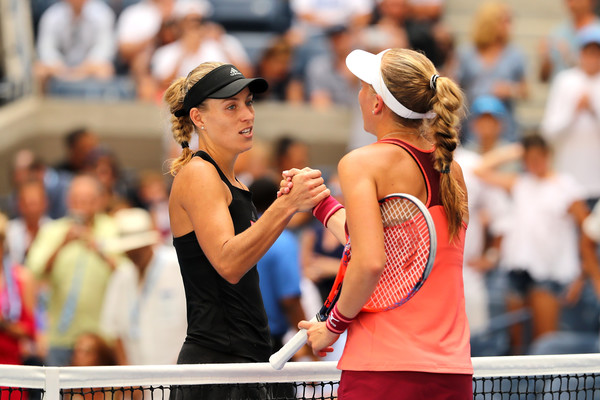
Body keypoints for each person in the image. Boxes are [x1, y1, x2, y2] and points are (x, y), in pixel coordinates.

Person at [284, 47, 473, 398]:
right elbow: (393, 246)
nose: (358, 94)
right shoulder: (453, 170)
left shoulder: (361, 164)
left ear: (376, 104)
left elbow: (370, 262)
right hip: (452, 373)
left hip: (382, 372)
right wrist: (322, 203)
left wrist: (332, 327)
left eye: (362, 86)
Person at [163, 61, 329, 399]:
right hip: (217, 370)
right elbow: (229, 263)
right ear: (199, 117)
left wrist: (283, 205)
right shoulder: (198, 174)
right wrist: (286, 206)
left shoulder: (234, 183)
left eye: (249, 102)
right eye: (231, 106)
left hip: (247, 366)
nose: (247, 115)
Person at [474, 135, 597, 354]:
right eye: (529, 159)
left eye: (538, 157)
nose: (534, 163)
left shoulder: (566, 186)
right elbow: (480, 170)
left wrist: (581, 277)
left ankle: (542, 389)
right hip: (516, 269)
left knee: (544, 345)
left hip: (549, 274)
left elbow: (587, 233)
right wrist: (515, 150)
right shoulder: (520, 183)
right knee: (516, 345)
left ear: (548, 156)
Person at [25, 174, 119, 366]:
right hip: (60, 336)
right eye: (76, 200)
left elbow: (125, 272)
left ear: (99, 201)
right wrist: (61, 245)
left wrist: (98, 248)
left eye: (87, 200)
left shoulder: (112, 229)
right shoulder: (52, 231)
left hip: (99, 337)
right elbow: (34, 272)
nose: (81, 206)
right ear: (68, 201)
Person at [101, 207, 186, 365]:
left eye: (137, 249)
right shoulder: (121, 276)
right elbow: (114, 331)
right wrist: (127, 374)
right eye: (129, 250)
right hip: (137, 378)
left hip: (178, 372)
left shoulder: (178, 267)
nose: (133, 254)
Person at [540, 25, 600, 208]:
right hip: (567, 180)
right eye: (587, 51)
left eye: (596, 52)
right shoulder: (564, 81)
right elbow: (548, 131)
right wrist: (573, 113)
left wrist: (593, 109)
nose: (592, 58)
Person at [456, 1, 528, 143]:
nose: (509, 26)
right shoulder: (467, 53)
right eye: (505, 21)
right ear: (489, 22)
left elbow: (526, 91)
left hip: (505, 129)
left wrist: (510, 89)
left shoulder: (515, 54)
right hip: (473, 127)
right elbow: (456, 86)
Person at [35, 0, 117, 93]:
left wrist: (83, 69)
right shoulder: (51, 15)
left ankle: (98, 106)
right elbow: (46, 49)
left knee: (105, 70)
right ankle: (44, 106)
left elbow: (104, 50)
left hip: (89, 68)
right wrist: (59, 67)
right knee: (40, 70)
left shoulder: (102, 13)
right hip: (60, 68)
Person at [538, 0, 600, 83]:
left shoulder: (597, 30)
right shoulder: (557, 33)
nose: (572, 3)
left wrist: (570, 57)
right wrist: (546, 59)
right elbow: (544, 78)